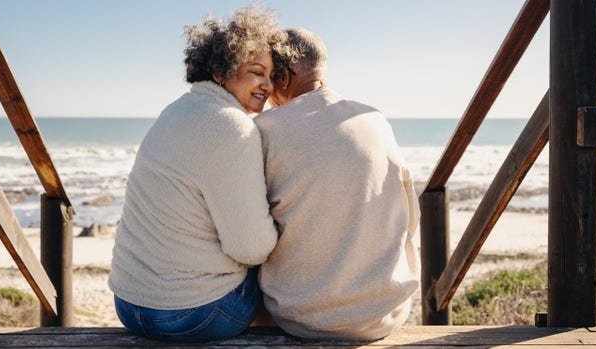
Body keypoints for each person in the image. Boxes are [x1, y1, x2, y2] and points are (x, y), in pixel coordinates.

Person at [108, 5, 291, 342]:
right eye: (256, 71)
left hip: (128, 305)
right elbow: (251, 249)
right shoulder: (232, 126)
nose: (267, 84)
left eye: (272, 75)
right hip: (191, 314)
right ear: (221, 70)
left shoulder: (175, 110)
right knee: (281, 279)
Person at [255, 28, 421, 340]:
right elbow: (410, 218)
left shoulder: (263, 131)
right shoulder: (375, 119)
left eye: (267, 77)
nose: (265, 91)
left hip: (301, 318)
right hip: (385, 315)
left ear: (284, 77)